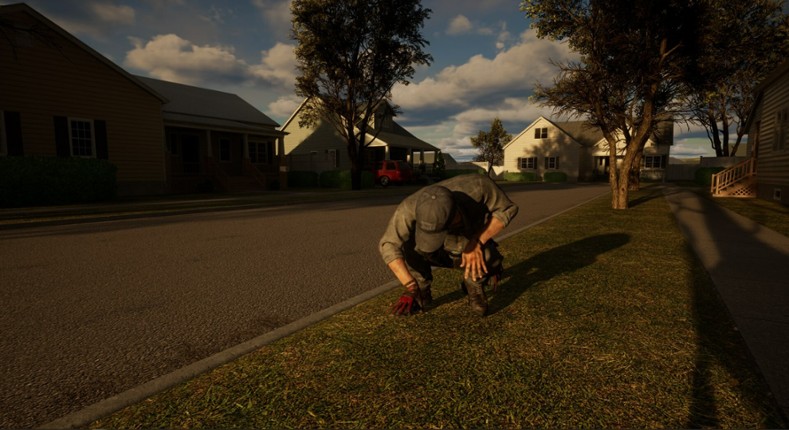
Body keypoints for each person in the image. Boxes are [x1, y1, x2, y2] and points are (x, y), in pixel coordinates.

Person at [379, 174, 519, 316]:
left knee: (489, 256)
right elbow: (388, 244)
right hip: (435, 250)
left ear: (456, 214)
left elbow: (507, 209)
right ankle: (422, 290)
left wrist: (477, 240)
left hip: (467, 239)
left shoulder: (479, 187)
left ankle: (474, 284)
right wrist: (411, 285)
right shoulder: (408, 207)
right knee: (408, 244)